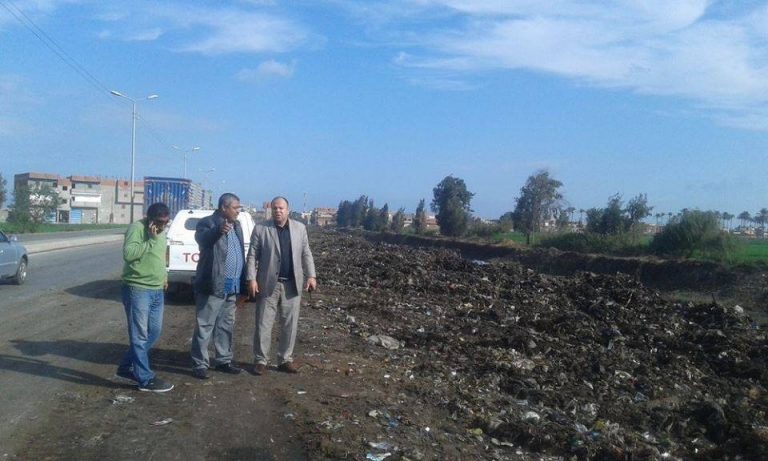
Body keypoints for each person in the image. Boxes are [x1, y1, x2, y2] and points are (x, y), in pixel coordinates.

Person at [247, 196, 316, 375]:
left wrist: (311, 276)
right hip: (267, 284)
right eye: (275, 208)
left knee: (289, 325)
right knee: (263, 323)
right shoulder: (261, 228)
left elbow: (306, 253)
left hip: (292, 284)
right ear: (271, 210)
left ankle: (285, 359)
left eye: (281, 208)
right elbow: (252, 255)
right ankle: (261, 360)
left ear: (288, 210)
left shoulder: (299, 228)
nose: (278, 211)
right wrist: (251, 279)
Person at [115, 202, 174, 392]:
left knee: (154, 332)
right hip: (138, 288)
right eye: (160, 222)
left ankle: (125, 367)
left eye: (166, 222)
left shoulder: (162, 231)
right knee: (139, 336)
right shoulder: (137, 229)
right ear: (149, 219)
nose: (163, 226)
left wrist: (164, 276)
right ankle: (145, 379)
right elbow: (128, 254)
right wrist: (150, 239)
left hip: (157, 289)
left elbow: (161, 256)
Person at [190, 193, 247, 379]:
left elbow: (240, 253)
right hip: (213, 283)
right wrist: (218, 231)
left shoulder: (237, 225)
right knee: (205, 325)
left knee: (225, 325)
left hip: (232, 284)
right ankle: (200, 364)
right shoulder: (207, 223)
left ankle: (223, 361)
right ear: (224, 207)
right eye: (235, 208)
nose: (238, 211)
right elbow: (202, 240)